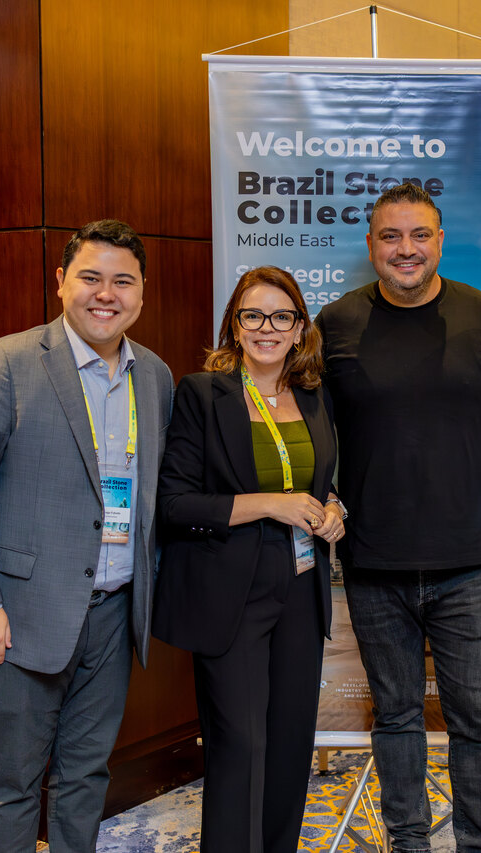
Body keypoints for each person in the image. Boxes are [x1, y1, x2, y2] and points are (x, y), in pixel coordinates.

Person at [0, 219, 175, 853]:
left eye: (123, 281)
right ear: (62, 281)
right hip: (20, 615)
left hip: (115, 612)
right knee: (13, 781)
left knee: (86, 776)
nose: (106, 294)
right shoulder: (5, 363)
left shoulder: (154, 375)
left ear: (142, 292)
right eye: (91, 277)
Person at [315, 183, 481, 852]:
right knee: (397, 719)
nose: (406, 248)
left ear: (439, 240)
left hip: (473, 565)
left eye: (419, 235)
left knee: (477, 724)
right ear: (371, 244)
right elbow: (310, 432)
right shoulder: (335, 324)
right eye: (390, 236)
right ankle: (409, 843)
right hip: (374, 567)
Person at [153, 265, 343, 853]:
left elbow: (322, 480)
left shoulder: (313, 394)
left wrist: (334, 508)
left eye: (282, 316)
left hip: (301, 588)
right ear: (235, 325)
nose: (267, 328)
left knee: (289, 742)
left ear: (300, 328)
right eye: (253, 315)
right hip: (231, 592)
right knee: (241, 744)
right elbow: (174, 504)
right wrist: (269, 504)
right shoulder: (202, 394)